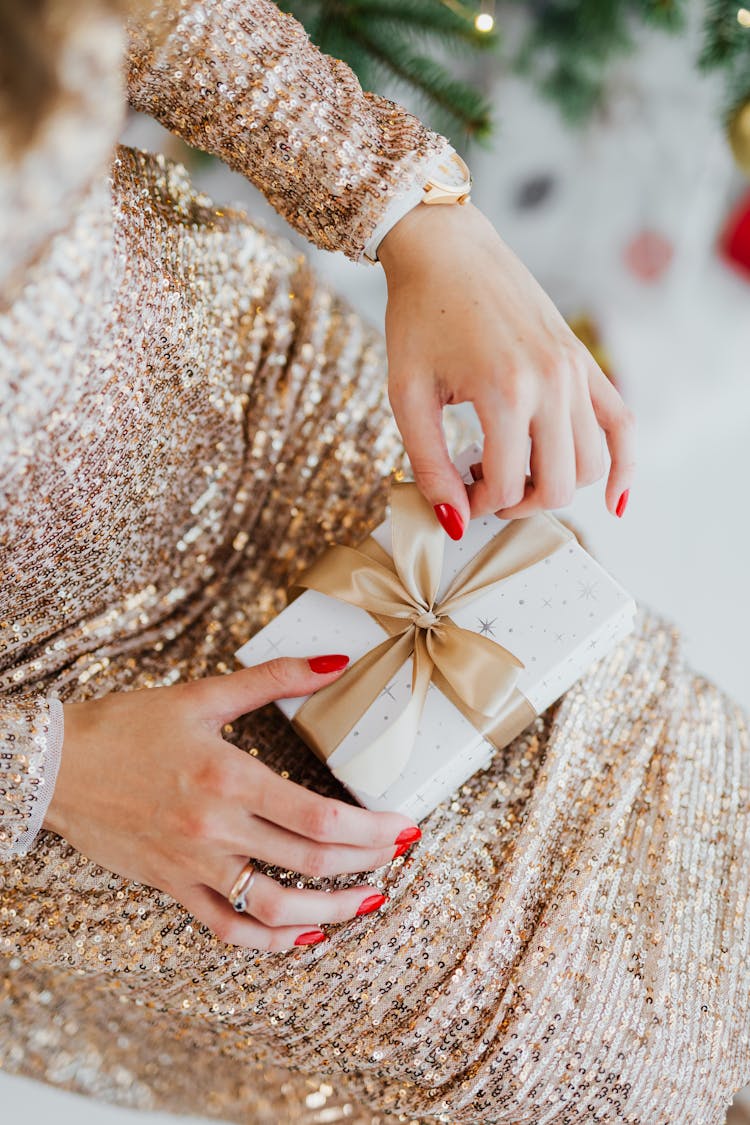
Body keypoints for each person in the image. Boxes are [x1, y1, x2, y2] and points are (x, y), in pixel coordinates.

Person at [0, 1, 746, 1122]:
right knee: (553, 1059)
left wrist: (419, 216)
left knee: (699, 809)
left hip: (264, 394)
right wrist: (42, 770)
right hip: (79, 714)